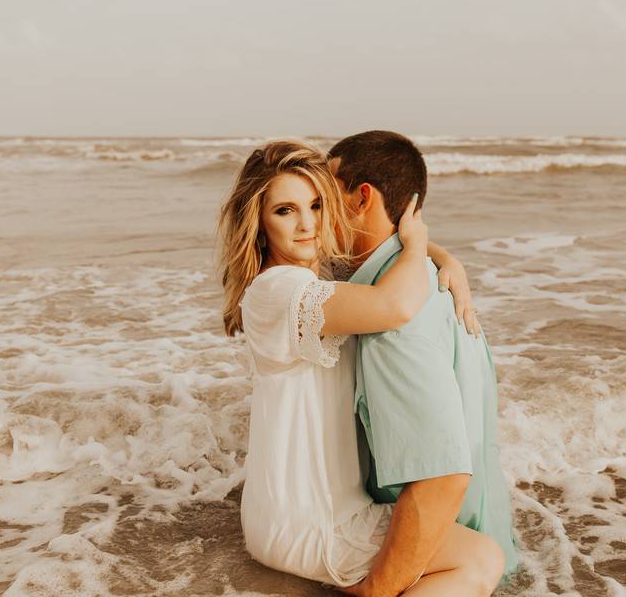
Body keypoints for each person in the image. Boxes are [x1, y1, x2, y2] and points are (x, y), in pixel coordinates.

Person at [217, 140, 503, 595]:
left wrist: (447, 259)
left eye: (316, 204)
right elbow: (394, 305)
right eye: (286, 211)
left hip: (326, 505)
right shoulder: (280, 291)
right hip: (304, 516)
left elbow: (374, 250)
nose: (308, 224)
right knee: (480, 560)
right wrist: (417, 247)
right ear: (260, 223)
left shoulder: (319, 277)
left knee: (450, 551)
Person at [327, 130, 521, 596]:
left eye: (324, 197)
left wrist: (374, 592)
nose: (315, 214)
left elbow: (441, 480)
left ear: (362, 199)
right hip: (480, 547)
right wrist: (432, 249)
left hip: (435, 569)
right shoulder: (431, 282)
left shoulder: (396, 321)